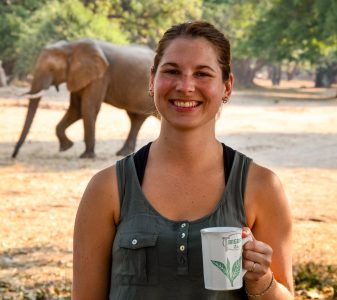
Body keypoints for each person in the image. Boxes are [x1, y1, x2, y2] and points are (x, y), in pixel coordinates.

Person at [72, 21, 293, 299]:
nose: (185, 86)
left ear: (227, 86)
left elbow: (286, 293)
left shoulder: (260, 186)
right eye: (172, 71)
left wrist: (263, 281)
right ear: (152, 80)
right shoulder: (108, 188)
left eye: (202, 74)